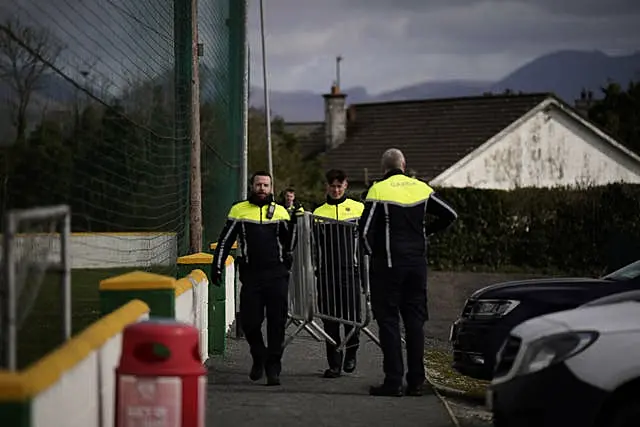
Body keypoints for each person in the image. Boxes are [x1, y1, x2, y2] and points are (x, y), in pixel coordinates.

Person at [359, 148, 457, 397]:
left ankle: (393, 381)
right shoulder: (421, 188)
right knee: (415, 323)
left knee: (389, 321)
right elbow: (450, 214)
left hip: (389, 266)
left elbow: (364, 233)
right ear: (404, 165)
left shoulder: (378, 190)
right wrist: (427, 232)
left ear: (384, 168)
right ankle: (416, 382)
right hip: (416, 265)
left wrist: (374, 255)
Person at [211, 171, 296, 386]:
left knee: (277, 322)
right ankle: (259, 355)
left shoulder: (280, 213)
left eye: (266, 185)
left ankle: (273, 366)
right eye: (258, 184)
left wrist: (287, 259)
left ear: (271, 188)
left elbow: (290, 243)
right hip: (251, 275)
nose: (262, 188)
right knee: (250, 321)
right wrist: (217, 266)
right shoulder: (238, 210)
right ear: (252, 186)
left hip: (276, 275)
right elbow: (225, 241)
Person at [312, 169, 365, 378]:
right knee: (330, 319)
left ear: (345, 187)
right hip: (326, 273)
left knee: (352, 316)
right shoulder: (318, 213)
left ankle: (351, 353)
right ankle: (334, 363)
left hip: (350, 272)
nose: (335, 190)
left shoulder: (358, 209)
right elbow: (314, 246)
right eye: (332, 186)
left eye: (339, 186)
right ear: (327, 186)